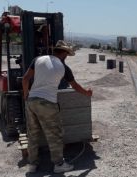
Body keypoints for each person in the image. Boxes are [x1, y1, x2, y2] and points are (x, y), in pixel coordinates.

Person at [22, 40, 93, 173]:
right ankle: (58, 164)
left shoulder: (38, 59)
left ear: (54, 50)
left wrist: (26, 96)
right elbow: (76, 87)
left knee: (33, 134)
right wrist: (87, 93)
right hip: (47, 103)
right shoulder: (64, 67)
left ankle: (32, 164)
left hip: (31, 101)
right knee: (54, 134)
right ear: (65, 54)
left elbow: (25, 79)